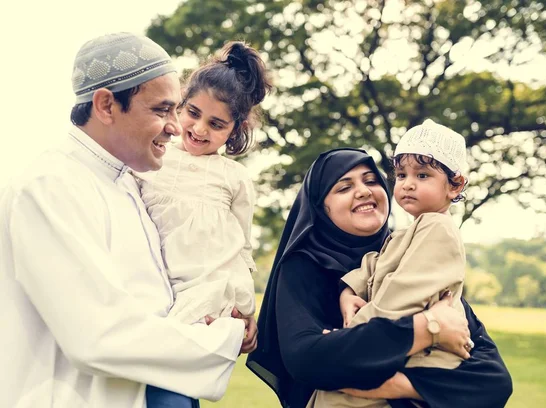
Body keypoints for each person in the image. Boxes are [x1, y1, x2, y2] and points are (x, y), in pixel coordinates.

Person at [0, 32, 256, 408]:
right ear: (106, 105)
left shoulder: (128, 184)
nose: (175, 127)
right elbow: (96, 336)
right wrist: (226, 336)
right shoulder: (50, 186)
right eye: (161, 110)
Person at [246, 148, 512, 408]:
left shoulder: (414, 255)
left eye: (371, 181)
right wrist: (428, 328)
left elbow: (493, 380)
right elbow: (308, 360)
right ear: (321, 207)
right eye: (343, 187)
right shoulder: (304, 268)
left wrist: (398, 385)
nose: (363, 191)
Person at [136, 41, 271, 406]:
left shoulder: (234, 179)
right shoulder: (151, 158)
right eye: (192, 113)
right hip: (153, 293)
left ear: (235, 129)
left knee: (173, 394)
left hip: (203, 298)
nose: (198, 128)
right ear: (179, 104)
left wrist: (247, 314)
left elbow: (240, 245)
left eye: (216, 124)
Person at [310, 120, 472, 408]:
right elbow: (374, 265)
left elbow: (400, 296)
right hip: (394, 353)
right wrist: (350, 292)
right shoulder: (407, 233)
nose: (408, 184)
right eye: (401, 174)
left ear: (455, 184)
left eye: (423, 175)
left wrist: (349, 338)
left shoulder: (438, 229)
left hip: (415, 360)